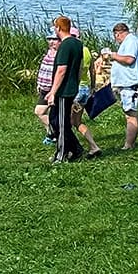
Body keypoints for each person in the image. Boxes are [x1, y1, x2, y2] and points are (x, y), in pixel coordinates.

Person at [46, 15, 85, 163]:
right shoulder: (77, 43)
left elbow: (61, 70)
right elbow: (80, 66)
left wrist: (52, 92)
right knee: (54, 120)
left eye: (55, 27)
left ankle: (62, 154)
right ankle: (76, 148)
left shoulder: (66, 45)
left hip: (64, 90)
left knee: (61, 123)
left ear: (58, 28)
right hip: (70, 87)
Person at [104, 20, 138, 151]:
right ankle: (130, 143)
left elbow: (129, 60)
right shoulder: (129, 42)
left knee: (130, 114)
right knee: (131, 113)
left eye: (115, 36)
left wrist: (113, 55)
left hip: (131, 84)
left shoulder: (131, 41)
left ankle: (128, 145)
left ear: (118, 34)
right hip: (127, 83)